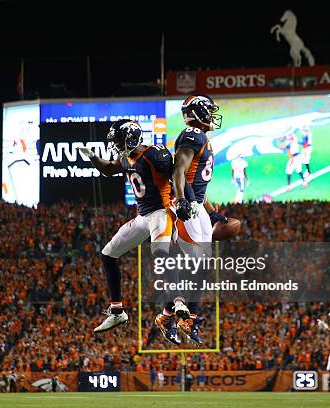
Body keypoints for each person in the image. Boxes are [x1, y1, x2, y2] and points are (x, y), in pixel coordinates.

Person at [80, 120, 177, 343]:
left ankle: (172, 310)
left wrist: (182, 202)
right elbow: (107, 169)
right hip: (143, 217)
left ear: (131, 137)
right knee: (107, 254)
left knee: (162, 259)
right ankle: (117, 311)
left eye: (117, 140)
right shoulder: (126, 157)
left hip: (162, 213)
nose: (115, 145)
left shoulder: (155, 154)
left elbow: (177, 176)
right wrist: (92, 156)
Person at [170, 94, 227, 345]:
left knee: (204, 264)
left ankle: (188, 317)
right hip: (187, 204)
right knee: (195, 260)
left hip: (196, 204)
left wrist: (212, 212)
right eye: (210, 111)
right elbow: (178, 171)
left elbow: (199, 185)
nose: (213, 116)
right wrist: (182, 200)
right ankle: (176, 312)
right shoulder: (193, 135)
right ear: (200, 113)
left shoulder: (203, 139)